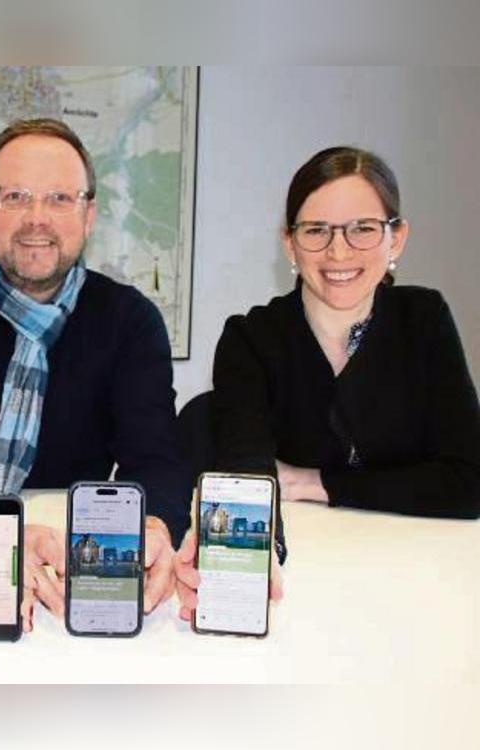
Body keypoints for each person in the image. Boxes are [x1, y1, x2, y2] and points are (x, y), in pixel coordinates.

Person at [0, 118, 191, 622]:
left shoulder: (129, 320)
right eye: (15, 196)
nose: (36, 218)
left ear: (89, 216)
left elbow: (155, 460)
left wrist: (150, 528)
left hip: (75, 563)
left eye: (60, 199)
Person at [174, 145, 479, 620]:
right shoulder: (250, 338)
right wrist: (254, 563)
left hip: (417, 580)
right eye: (316, 231)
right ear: (289, 243)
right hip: (310, 582)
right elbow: (251, 478)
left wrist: (319, 483)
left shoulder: (425, 321)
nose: (338, 252)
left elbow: (468, 484)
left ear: (395, 239)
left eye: (363, 229)